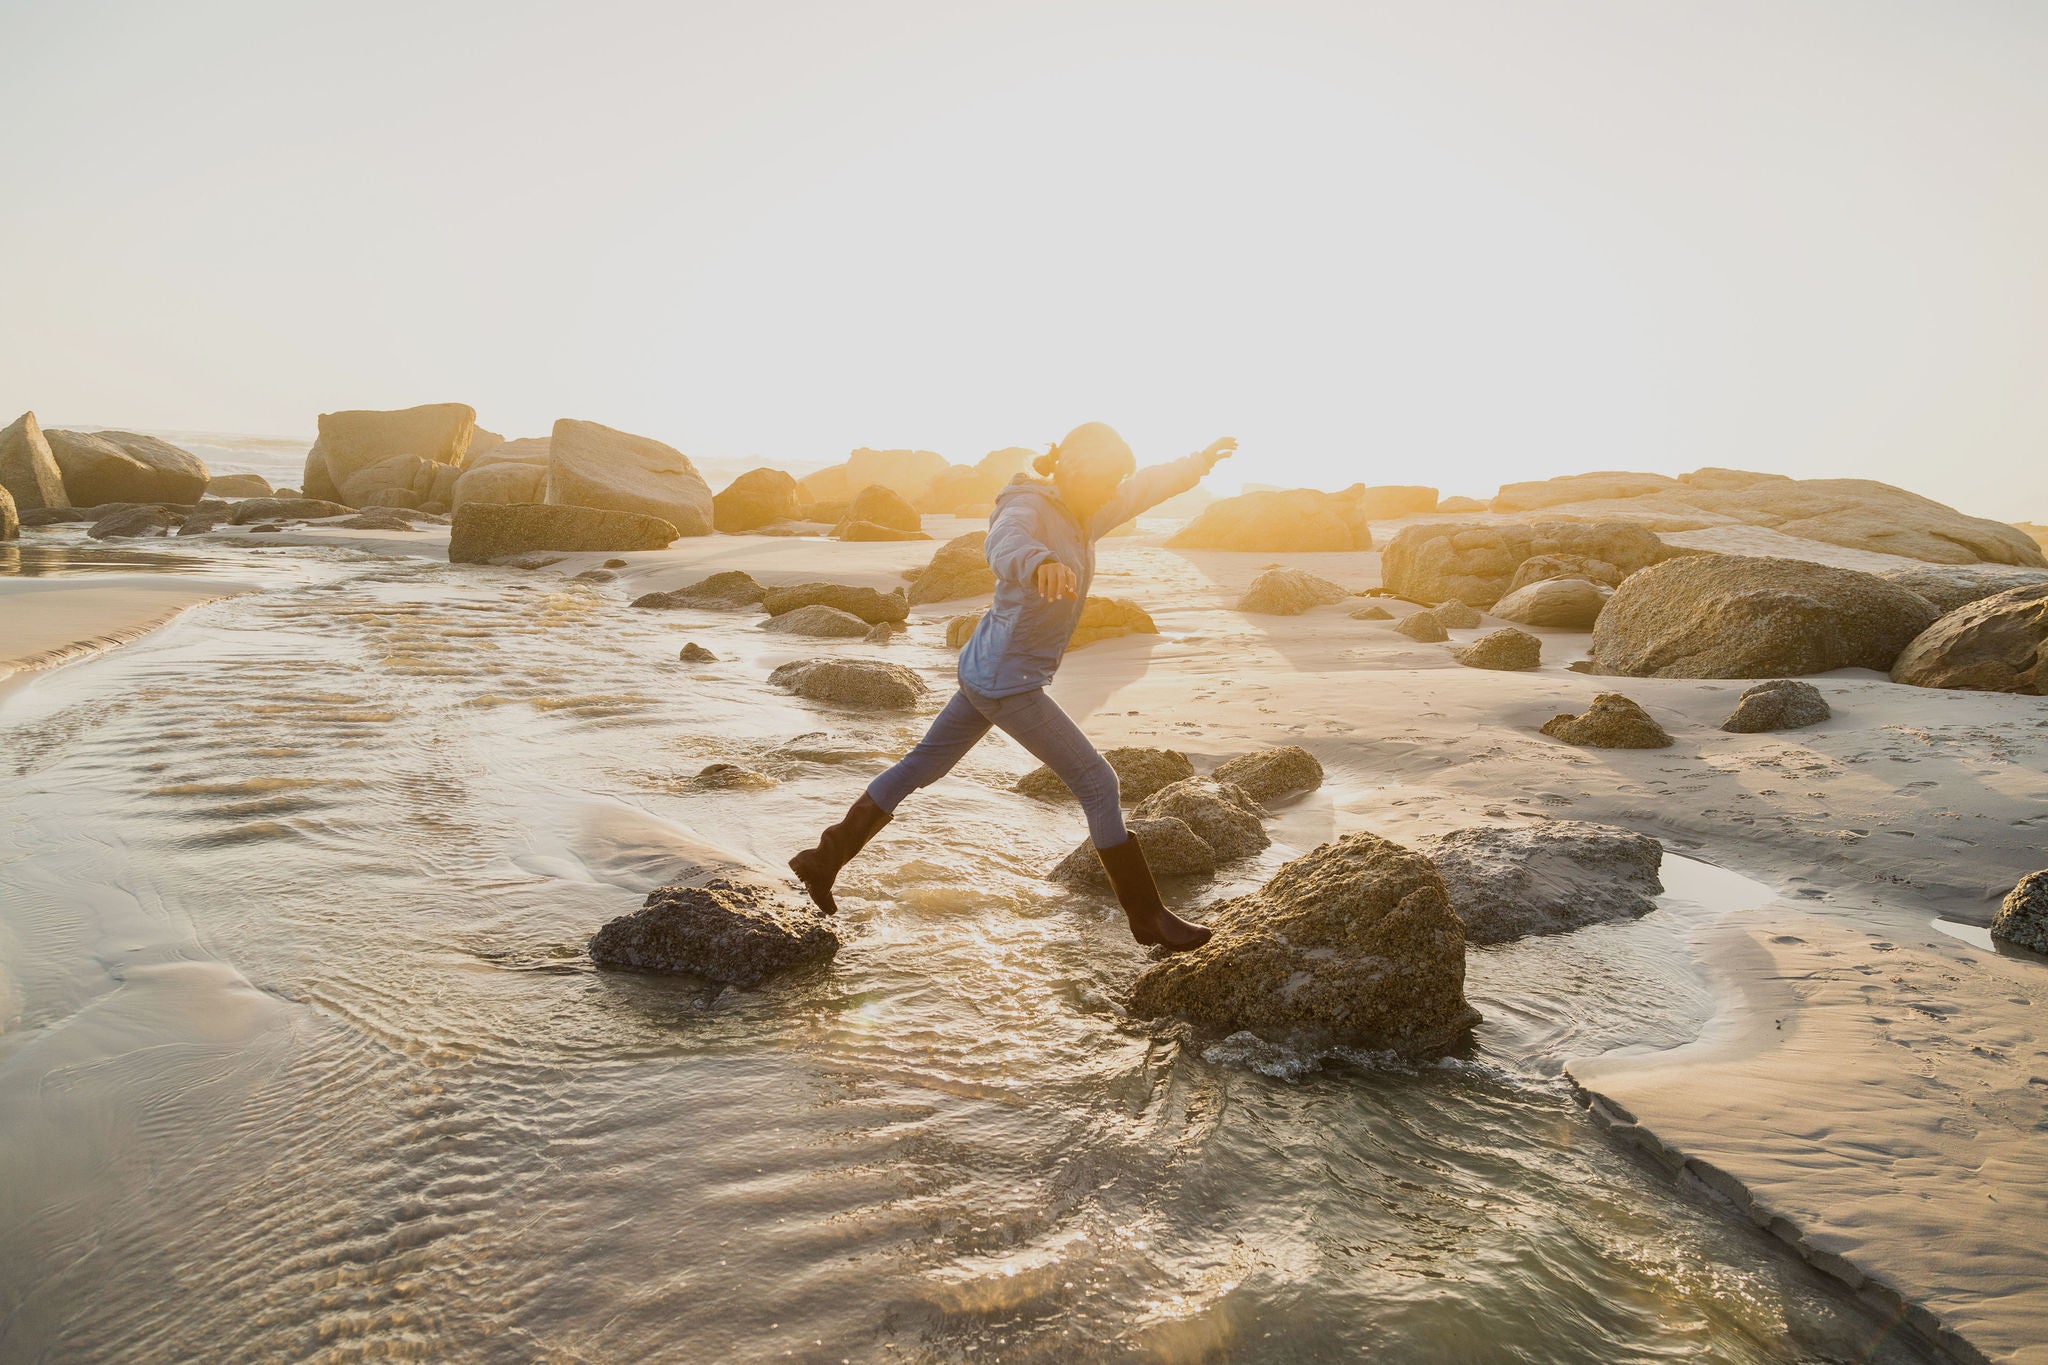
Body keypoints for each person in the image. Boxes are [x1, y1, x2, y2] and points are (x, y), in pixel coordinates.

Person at [789, 421, 1237, 951]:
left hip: (988, 670)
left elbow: (1144, 489)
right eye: (1106, 479)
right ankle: (1147, 917)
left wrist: (1198, 462)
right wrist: (1039, 562)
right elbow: (1004, 543)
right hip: (1008, 682)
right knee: (1099, 784)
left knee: (919, 767)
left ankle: (821, 860)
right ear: (1072, 469)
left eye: (1118, 479)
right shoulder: (1027, 505)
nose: (1114, 490)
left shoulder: (1085, 510)